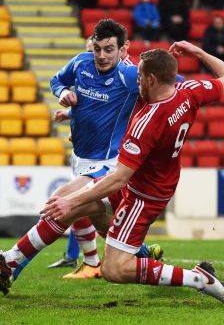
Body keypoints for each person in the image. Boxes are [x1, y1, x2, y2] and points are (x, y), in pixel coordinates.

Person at [0, 41, 224, 304]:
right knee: (82, 203)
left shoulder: (147, 124)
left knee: (114, 269)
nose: (137, 82)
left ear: (152, 79)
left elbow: (118, 178)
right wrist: (198, 52)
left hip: (143, 194)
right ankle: (10, 262)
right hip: (148, 179)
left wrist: (71, 201)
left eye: (141, 78)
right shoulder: (188, 91)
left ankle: (198, 278)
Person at [49, 37, 162, 272]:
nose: (97, 58)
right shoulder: (95, 69)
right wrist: (73, 115)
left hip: (115, 156)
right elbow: (97, 103)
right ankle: (141, 252)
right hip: (88, 151)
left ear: (122, 48)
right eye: (92, 51)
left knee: (82, 204)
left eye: (101, 51)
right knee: (93, 212)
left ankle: (90, 261)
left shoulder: (132, 75)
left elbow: (131, 111)